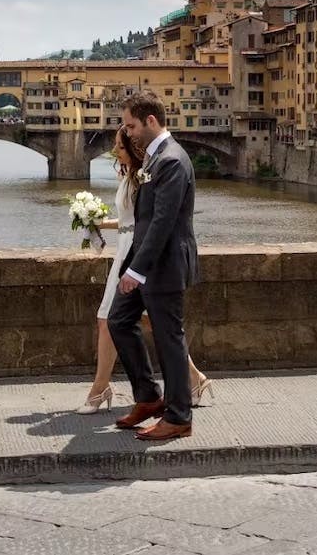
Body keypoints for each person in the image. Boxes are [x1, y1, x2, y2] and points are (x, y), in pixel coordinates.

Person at [77, 125, 213, 415]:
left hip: (137, 255)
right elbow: (130, 219)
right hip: (127, 250)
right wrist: (98, 222)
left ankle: (105, 389)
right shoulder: (129, 175)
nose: (115, 151)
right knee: (128, 321)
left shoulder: (149, 173)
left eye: (120, 146)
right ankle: (188, 380)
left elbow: (154, 221)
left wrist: (137, 265)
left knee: (117, 320)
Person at [107, 92, 200, 440]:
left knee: (169, 339)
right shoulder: (155, 158)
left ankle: (179, 417)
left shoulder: (172, 160)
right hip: (147, 262)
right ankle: (148, 397)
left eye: (131, 125)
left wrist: (136, 270)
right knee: (118, 320)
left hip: (164, 265)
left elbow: (162, 222)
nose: (127, 132)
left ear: (150, 121)